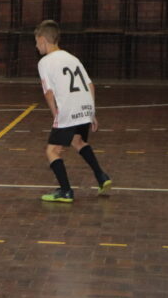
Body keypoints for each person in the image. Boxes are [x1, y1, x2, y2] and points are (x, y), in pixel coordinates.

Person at [35, 19, 112, 203]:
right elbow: (90, 85)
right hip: (84, 107)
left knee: (52, 150)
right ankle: (102, 177)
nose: (36, 46)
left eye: (36, 42)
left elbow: (48, 92)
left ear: (43, 40)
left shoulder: (45, 62)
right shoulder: (72, 58)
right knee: (78, 141)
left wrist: (56, 114)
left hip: (68, 109)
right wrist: (91, 113)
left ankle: (65, 191)